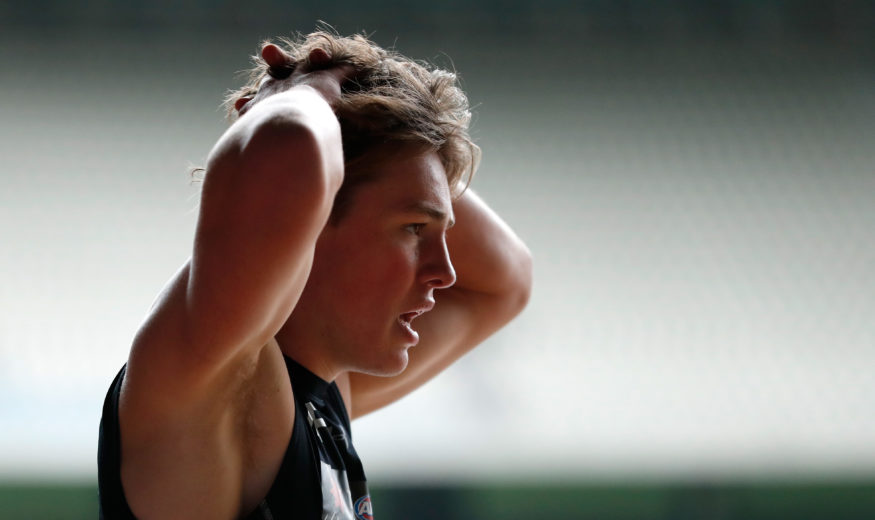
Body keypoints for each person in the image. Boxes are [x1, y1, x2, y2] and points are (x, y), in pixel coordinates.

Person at [98, 30, 532, 520]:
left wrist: (395, 133)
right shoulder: (221, 378)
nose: (446, 272)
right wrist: (308, 94)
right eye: (414, 229)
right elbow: (288, 145)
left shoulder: (325, 384)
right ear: (315, 216)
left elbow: (506, 278)